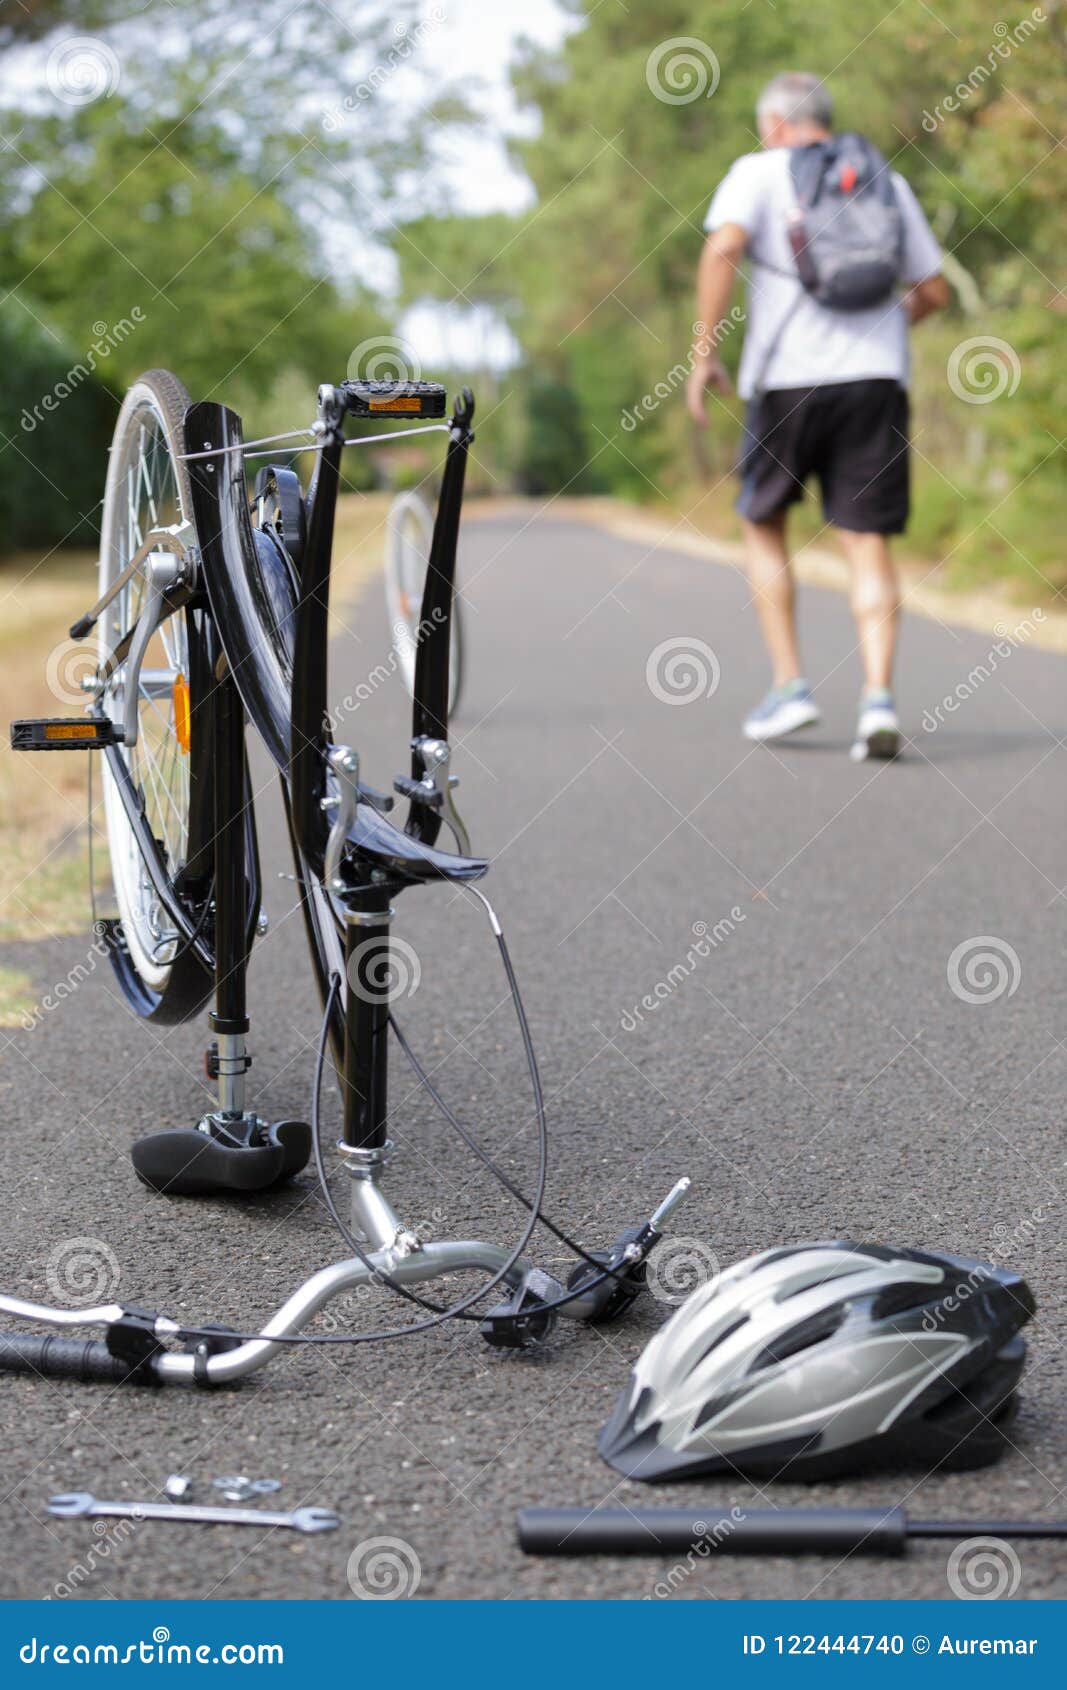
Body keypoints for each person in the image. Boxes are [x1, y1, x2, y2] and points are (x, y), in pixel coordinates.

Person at [687, 72, 949, 759]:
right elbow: (934, 289)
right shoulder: (883, 178)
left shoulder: (757, 170)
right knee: (866, 540)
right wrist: (891, 326)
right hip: (875, 377)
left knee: (762, 520)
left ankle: (790, 686)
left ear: (774, 123)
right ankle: (877, 702)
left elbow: (722, 248)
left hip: (786, 379)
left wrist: (702, 353)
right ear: (823, 121)